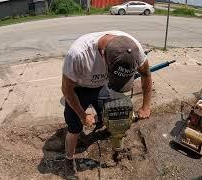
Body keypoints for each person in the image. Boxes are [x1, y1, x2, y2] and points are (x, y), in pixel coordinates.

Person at [61, 30, 152, 179]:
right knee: (74, 128)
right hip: (77, 89)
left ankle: (116, 147)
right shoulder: (79, 55)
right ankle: (69, 159)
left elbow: (146, 74)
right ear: (103, 54)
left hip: (101, 86)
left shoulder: (133, 49)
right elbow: (66, 89)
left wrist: (146, 106)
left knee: (114, 117)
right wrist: (83, 116)